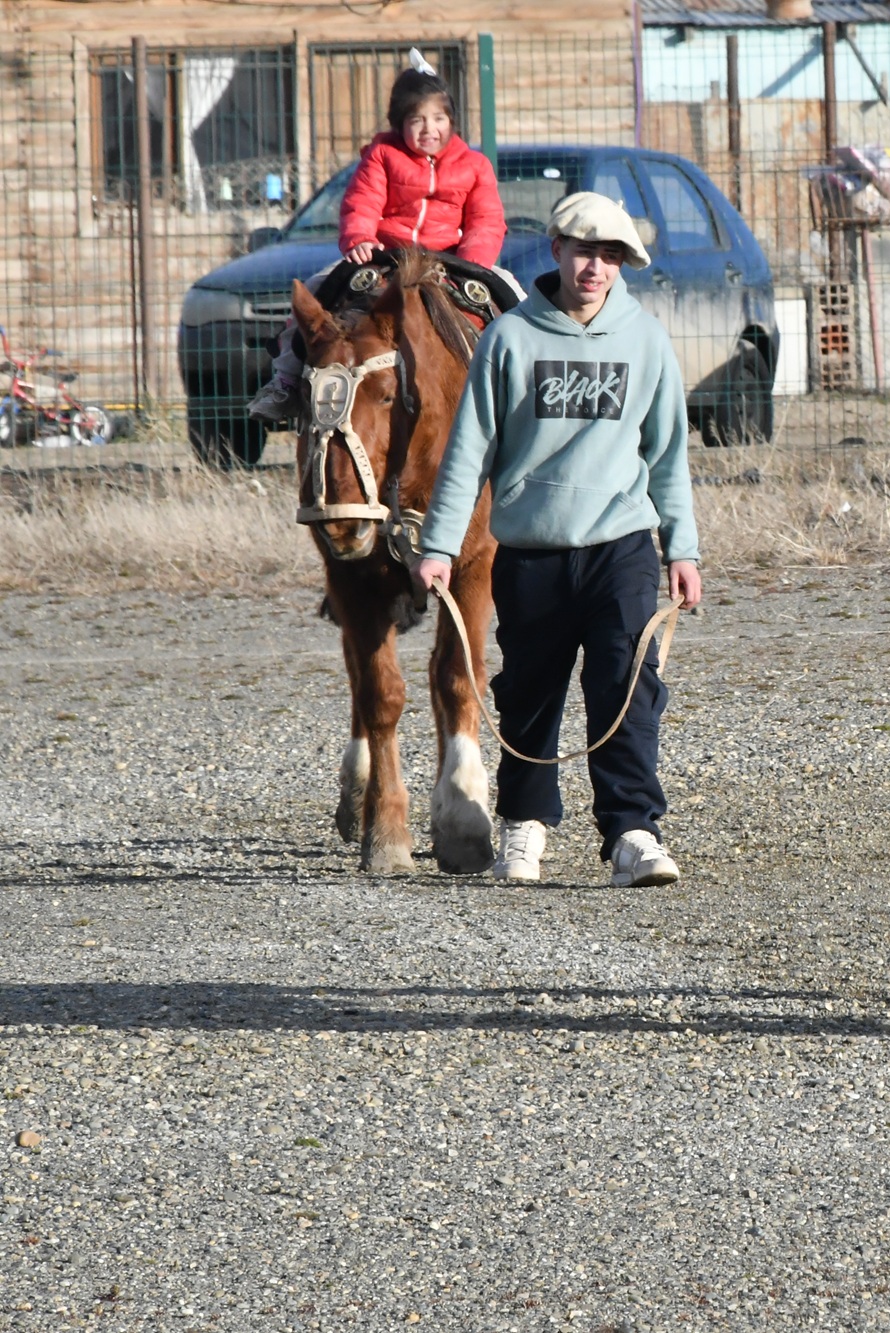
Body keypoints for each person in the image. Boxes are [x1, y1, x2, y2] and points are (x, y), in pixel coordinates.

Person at [414, 192, 701, 888]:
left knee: (626, 687)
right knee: (531, 693)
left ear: (623, 262)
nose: (594, 267)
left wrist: (682, 548)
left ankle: (633, 832)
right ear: (556, 251)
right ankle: (525, 826)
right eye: (583, 251)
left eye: (610, 255)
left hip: (622, 545)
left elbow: (667, 455)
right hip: (533, 550)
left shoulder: (647, 340)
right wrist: (441, 544)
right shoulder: (510, 339)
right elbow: (468, 451)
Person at [249, 51, 506, 422]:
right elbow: (361, 203)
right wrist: (360, 239)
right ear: (399, 123)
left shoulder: (476, 165)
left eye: (438, 119)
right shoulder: (381, 156)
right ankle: (286, 381)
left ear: (452, 121)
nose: (428, 129)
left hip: (452, 259)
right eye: (416, 120)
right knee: (317, 289)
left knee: (512, 295)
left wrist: (474, 262)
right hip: (385, 256)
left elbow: (487, 219)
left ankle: (522, 390)